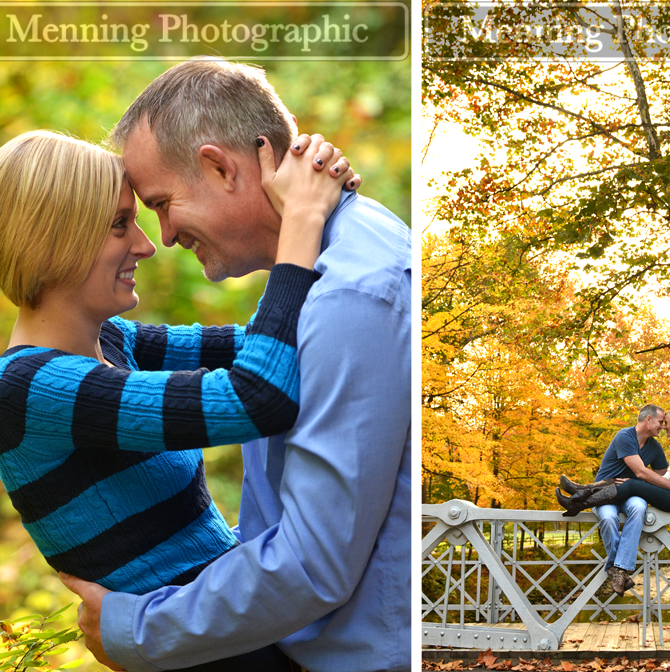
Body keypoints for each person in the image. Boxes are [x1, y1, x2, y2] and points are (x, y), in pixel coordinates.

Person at [59, 58, 411, 672]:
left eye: (163, 204)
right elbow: (232, 351)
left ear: (221, 166)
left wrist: (134, 629)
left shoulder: (351, 296)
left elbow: (314, 562)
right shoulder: (322, 271)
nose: (162, 236)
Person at [0, 129, 356, 670]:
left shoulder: (114, 342)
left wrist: (295, 196)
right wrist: (300, 225)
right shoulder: (27, 390)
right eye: (118, 225)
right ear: (54, 239)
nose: (146, 245)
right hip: (200, 653)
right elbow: (256, 396)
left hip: (222, 628)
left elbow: (275, 341)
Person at [556, 404, 670, 596]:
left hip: (630, 496)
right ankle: (620, 570)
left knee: (639, 509)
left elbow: (662, 477)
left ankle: (617, 569)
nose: (662, 426)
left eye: (665, 423)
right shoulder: (625, 436)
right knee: (608, 518)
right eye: (660, 422)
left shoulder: (655, 448)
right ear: (648, 419)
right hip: (604, 496)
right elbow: (641, 471)